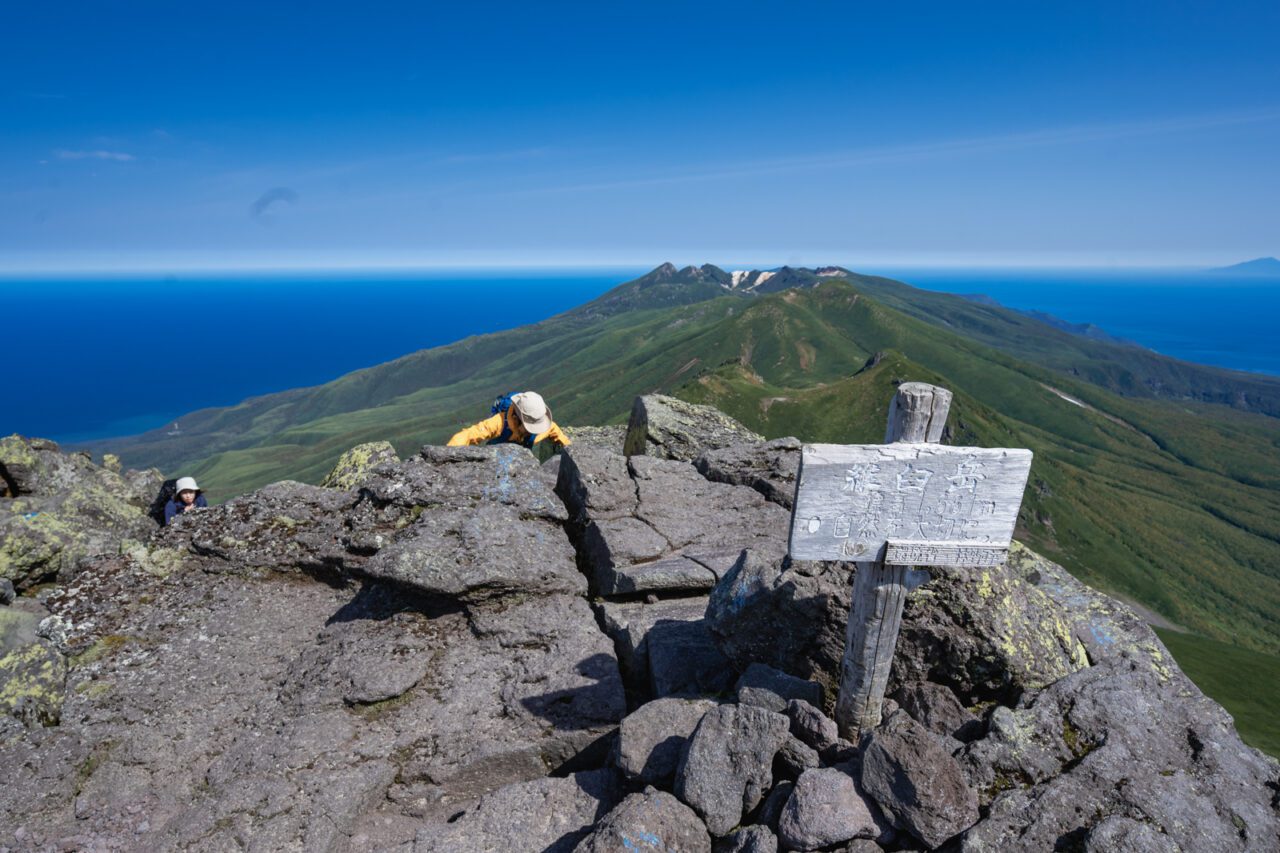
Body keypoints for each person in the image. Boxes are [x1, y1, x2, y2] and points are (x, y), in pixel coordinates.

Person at [447, 391, 571, 451]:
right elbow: (469, 434)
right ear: (517, 419)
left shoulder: (545, 427)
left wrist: (570, 448)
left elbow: (555, 431)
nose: (536, 431)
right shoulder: (499, 422)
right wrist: (448, 453)